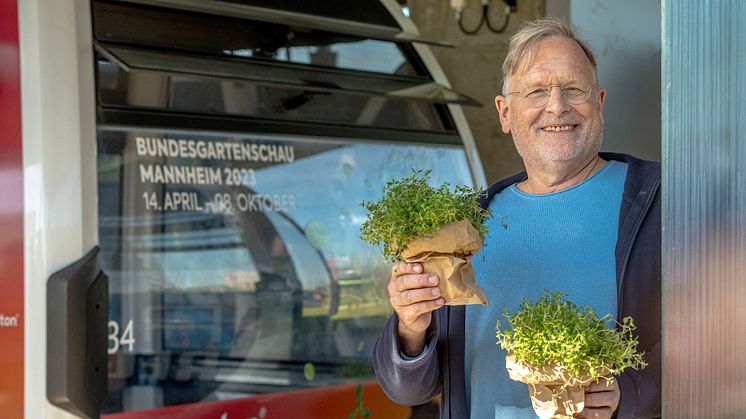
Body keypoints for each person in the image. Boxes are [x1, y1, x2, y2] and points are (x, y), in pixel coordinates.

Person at [372, 17, 660, 419]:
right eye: (537, 91)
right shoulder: (465, 226)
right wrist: (410, 328)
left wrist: (629, 393)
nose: (556, 106)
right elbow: (408, 388)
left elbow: (724, 340)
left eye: (573, 89)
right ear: (506, 113)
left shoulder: (660, 201)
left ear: (599, 104)